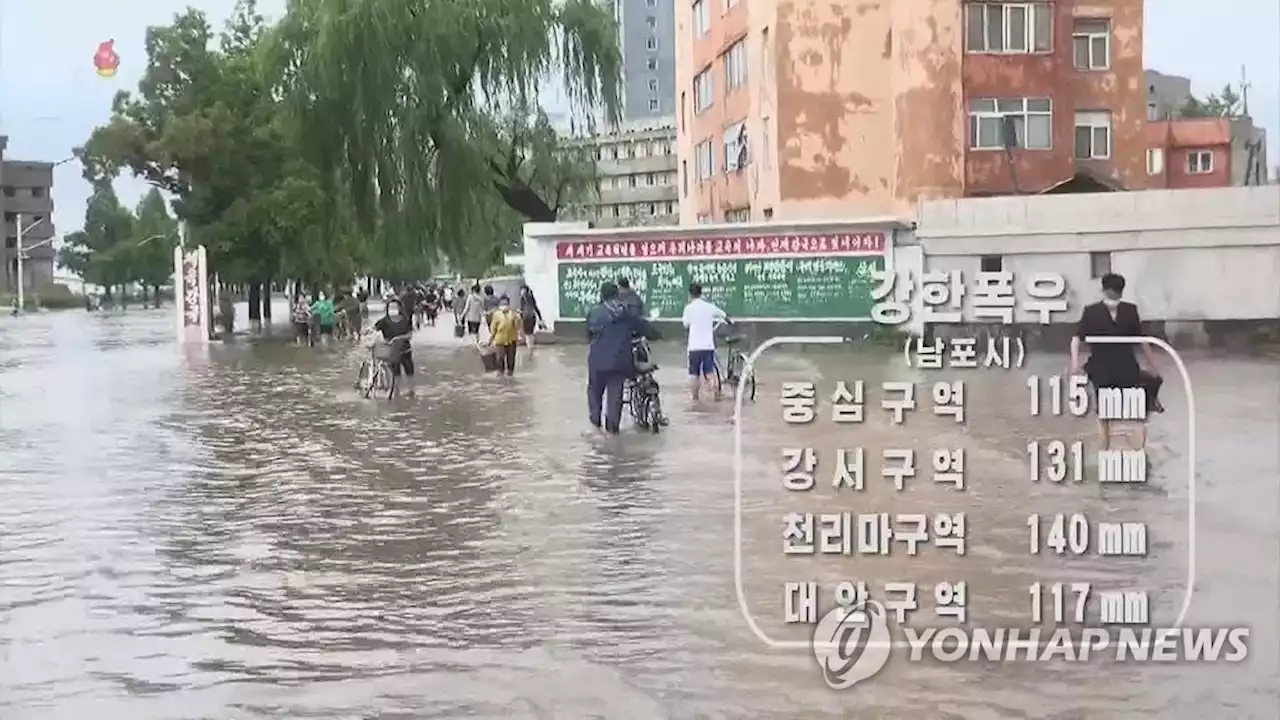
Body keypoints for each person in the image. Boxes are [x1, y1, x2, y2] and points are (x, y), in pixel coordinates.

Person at [1070, 272, 1160, 450]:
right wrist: (1153, 365)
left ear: (1103, 289)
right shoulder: (1123, 310)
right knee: (1130, 413)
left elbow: (1076, 339)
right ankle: (1136, 452)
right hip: (1115, 369)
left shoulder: (1102, 311)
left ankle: (1113, 452)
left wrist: (1075, 365)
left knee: (1107, 414)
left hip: (1112, 369)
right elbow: (1142, 341)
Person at [587, 281, 659, 434]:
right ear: (617, 294)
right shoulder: (625, 312)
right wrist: (657, 335)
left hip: (597, 361)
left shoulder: (594, 312)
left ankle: (595, 425)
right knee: (615, 396)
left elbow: (588, 334)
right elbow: (644, 327)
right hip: (619, 362)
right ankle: (612, 431)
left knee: (594, 391)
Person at [681, 282, 727, 401]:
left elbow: (686, 324)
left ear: (690, 294)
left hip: (694, 347)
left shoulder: (688, 308)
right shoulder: (709, 306)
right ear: (701, 292)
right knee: (710, 373)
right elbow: (723, 315)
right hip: (708, 346)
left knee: (694, 374)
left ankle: (695, 399)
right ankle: (716, 395)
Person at [372, 299, 417, 397]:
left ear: (400, 308)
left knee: (409, 370)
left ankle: (411, 390)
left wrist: (399, 338)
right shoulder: (384, 321)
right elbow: (374, 329)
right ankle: (397, 391)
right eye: (390, 307)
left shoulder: (405, 320)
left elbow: (410, 334)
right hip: (391, 350)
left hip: (404, 350)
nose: (392, 309)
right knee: (396, 372)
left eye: (394, 307)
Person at [487, 294, 521, 376]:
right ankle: (501, 376)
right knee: (500, 359)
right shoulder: (496, 315)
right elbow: (493, 329)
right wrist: (490, 341)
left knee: (511, 360)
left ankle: (510, 375)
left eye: (506, 304)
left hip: (511, 340)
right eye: (502, 304)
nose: (504, 306)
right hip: (500, 341)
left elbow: (517, 327)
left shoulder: (513, 314)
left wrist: (516, 317)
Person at [518, 284, 545, 350]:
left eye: (521, 290)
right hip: (533, 317)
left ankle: (530, 350)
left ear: (523, 290)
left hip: (526, 317)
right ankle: (532, 347)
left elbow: (522, 309)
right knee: (531, 333)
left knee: (527, 334)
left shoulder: (522, 298)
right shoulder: (531, 297)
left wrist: (520, 315)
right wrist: (540, 318)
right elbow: (536, 308)